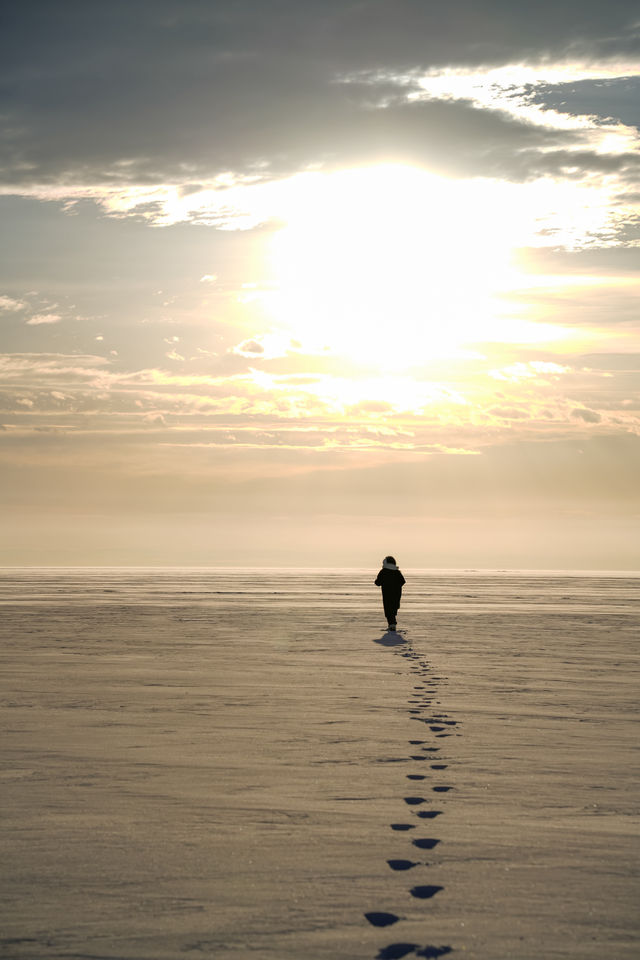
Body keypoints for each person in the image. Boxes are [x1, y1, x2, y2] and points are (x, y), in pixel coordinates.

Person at [375, 555, 406, 631]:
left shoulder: (383, 571)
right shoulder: (397, 572)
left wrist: (385, 583)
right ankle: (392, 624)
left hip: (387, 593)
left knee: (388, 609)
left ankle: (392, 625)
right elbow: (402, 581)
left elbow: (377, 582)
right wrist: (396, 586)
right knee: (394, 608)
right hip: (396, 593)